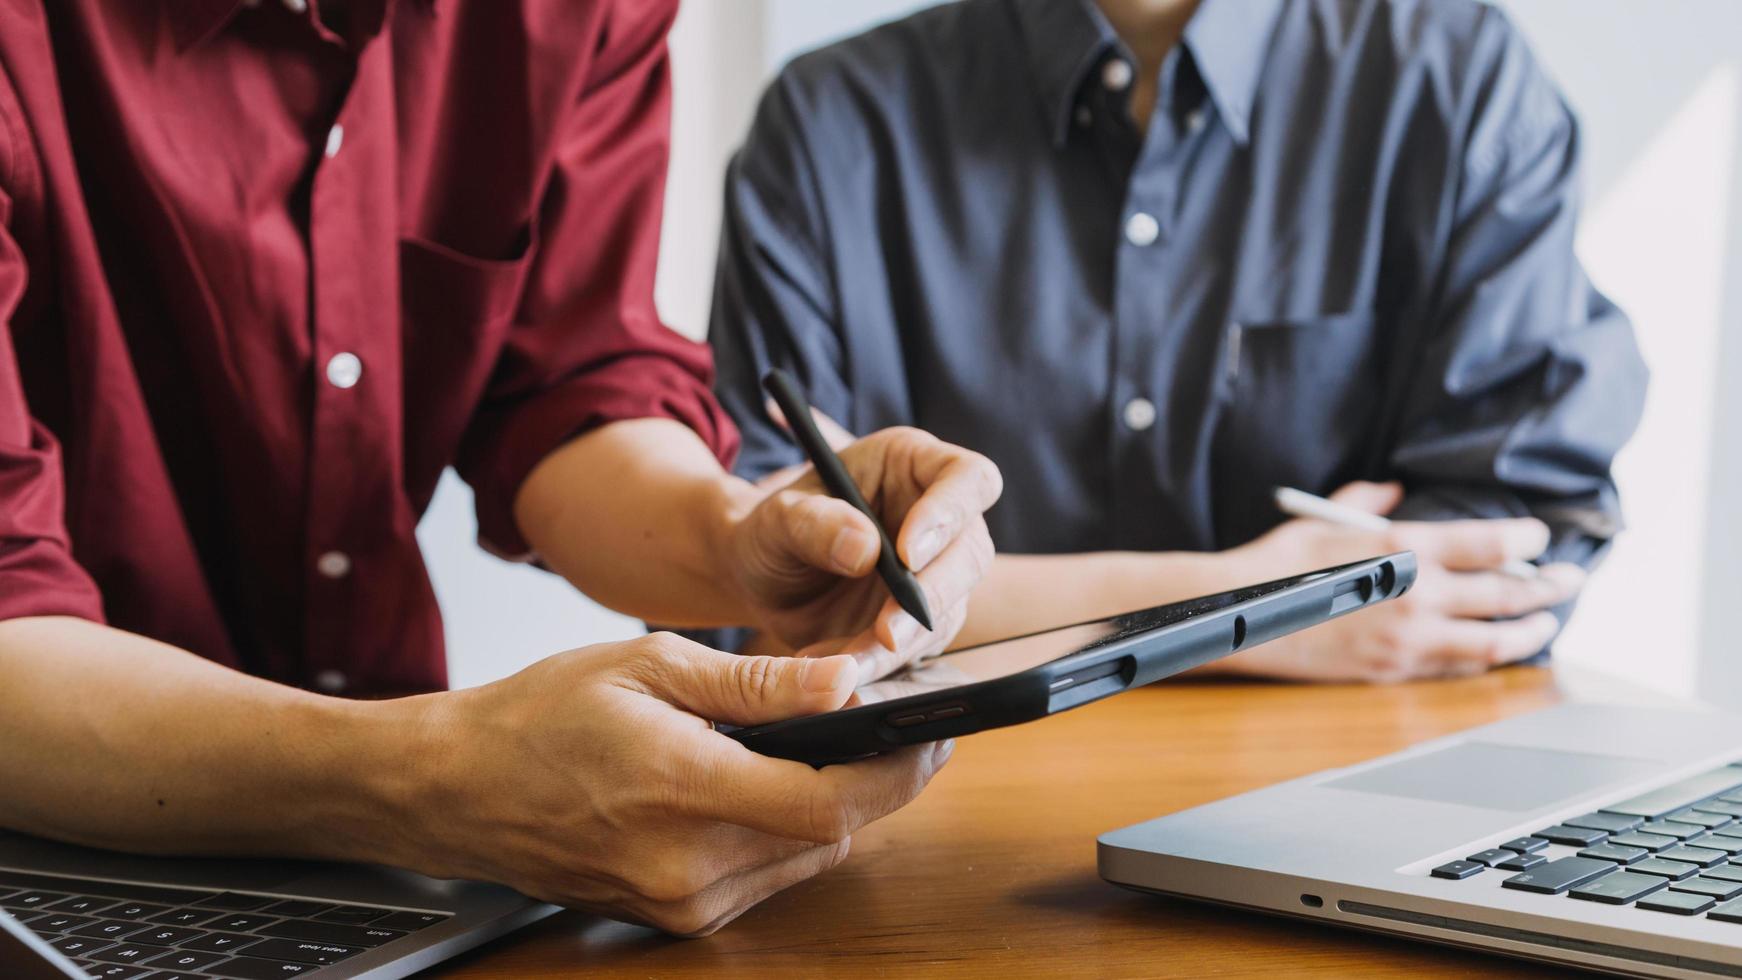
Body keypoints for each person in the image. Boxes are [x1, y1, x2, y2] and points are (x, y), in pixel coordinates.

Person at [0, 0, 1004, 937]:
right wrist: (425, 779)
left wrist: (731, 537)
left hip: (395, 868)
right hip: (56, 859)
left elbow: (566, 379)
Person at [709, 0, 1647, 682]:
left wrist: (1019, 615)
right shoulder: (830, 125)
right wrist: (1251, 607)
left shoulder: (1455, 82)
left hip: (1347, 794)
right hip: (931, 807)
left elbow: (1507, 560)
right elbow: (762, 588)